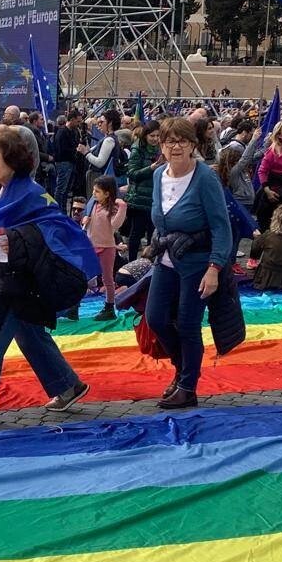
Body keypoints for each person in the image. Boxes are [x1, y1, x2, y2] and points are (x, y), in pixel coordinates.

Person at [0, 125, 96, 428]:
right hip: (9, 274)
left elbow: (52, 230)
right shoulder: (3, 191)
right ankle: (67, 385)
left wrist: (9, 237)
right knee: (28, 332)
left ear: (14, 161)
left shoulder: (31, 194)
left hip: (20, 280)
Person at [146, 115, 234, 409]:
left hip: (197, 263)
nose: (176, 146)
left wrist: (215, 268)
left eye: (183, 140)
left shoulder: (205, 178)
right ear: (161, 144)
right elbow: (160, 217)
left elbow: (222, 227)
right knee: (155, 318)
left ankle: (188, 386)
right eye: (170, 140)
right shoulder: (159, 175)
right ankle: (183, 367)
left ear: (193, 144)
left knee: (187, 323)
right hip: (167, 259)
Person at [83, 175, 127, 319]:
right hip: (91, 246)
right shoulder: (94, 206)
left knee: (107, 278)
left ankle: (109, 307)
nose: (94, 194)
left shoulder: (113, 207)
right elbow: (88, 225)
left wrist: (122, 207)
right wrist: (86, 220)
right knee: (82, 275)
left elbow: (115, 225)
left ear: (107, 194)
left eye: (97, 191)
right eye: (94, 191)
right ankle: (73, 306)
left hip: (107, 247)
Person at [123, 122, 159, 265]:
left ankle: (149, 264)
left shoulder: (161, 149)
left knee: (153, 234)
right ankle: (131, 263)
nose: (155, 139)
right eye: (152, 136)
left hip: (155, 198)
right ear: (145, 135)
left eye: (157, 136)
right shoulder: (137, 149)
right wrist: (151, 168)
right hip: (139, 198)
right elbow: (132, 173)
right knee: (136, 234)